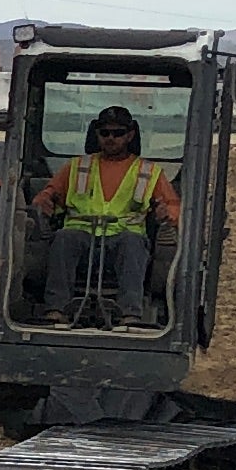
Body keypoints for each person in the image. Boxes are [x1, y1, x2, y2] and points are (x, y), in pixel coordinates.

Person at [34, 102, 180, 326]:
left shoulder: (148, 172)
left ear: (130, 135)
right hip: (81, 238)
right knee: (63, 238)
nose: (110, 138)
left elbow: (174, 207)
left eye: (118, 133)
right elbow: (49, 193)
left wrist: (166, 212)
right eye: (104, 132)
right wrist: (44, 201)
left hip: (123, 239)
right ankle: (56, 309)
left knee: (133, 244)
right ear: (96, 134)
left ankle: (130, 314)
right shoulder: (75, 167)